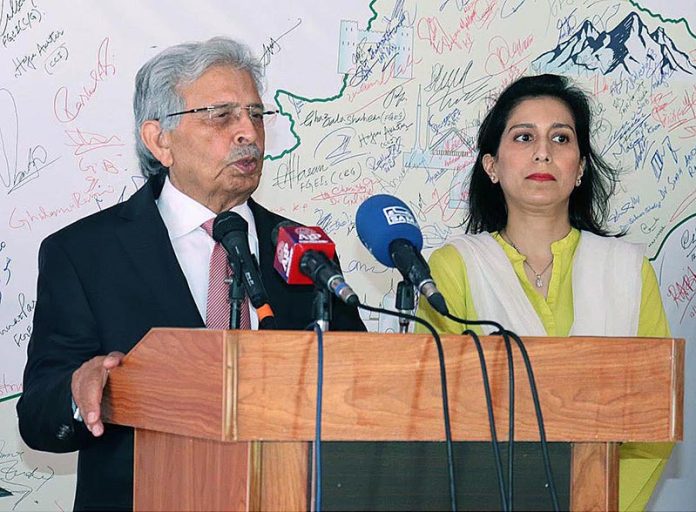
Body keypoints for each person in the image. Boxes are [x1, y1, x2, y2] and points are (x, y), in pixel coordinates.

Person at [17, 37, 365, 511]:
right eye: (222, 116)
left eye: (256, 115)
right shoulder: (83, 254)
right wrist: (79, 392)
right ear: (160, 140)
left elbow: (359, 388)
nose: (248, 133)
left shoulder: (304, 250)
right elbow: (37, 415)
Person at [417, 74, 672, 511]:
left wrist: (599, 504)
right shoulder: (453, 268)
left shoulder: (628, 269)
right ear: (491, 166)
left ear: (580, 168)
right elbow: (431, 417)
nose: (543, 152)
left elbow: (653, 427)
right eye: (523, 136)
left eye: (560, 137)